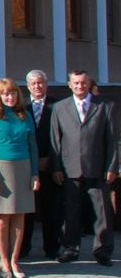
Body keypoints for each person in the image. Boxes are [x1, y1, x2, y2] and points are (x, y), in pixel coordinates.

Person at [50, 70, 118, 266]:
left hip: (97, 168)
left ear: (89, 84)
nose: (80, 86)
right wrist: (56, 168)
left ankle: (102, 250)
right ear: (70, 85)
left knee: (102, 212)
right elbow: (55, 141)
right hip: (69, 168)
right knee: (70, 211)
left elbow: (112, 140)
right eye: (76, 83)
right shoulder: (60, 108)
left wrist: (112, 166)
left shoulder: (106, 106)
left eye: (83, 83)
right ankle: (70, 249)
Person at [0, 78, 40, 278]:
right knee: (2, 218)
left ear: (18, 95)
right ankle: (3, 260)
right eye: (5, 93)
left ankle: (15, 260)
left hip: (22, 168)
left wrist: (34, 174)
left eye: (13, 93)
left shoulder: (25, 116)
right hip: (1, 168)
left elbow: (33, 147)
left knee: (19, 216)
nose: (9, 97)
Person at [23, 69, 61, 260]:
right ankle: (24, 248)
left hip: (50, 165)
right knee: (28, 209)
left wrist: (50, 160)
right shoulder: (21, 106)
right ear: (28, 86)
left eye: (40, 83)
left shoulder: (57, 106)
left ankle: (52, 247)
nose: (37, 86)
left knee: (51, 209)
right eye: (33, 83)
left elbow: (60, 137)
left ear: (46, 84)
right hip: (27, 165)